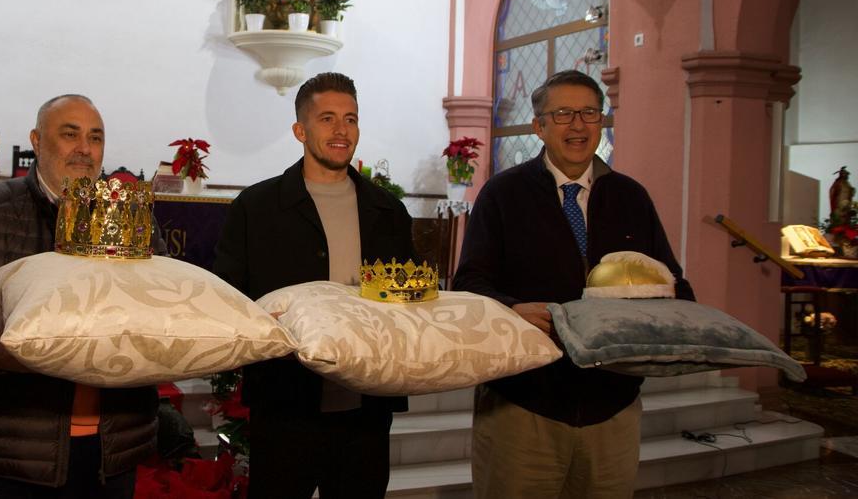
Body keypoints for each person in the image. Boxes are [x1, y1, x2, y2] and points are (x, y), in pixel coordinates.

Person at [452, 70, 695, 498]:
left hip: (612, 406)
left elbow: (674, 282)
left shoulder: (630, 197)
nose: (578, 125)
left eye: (589, 113)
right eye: (563, 114)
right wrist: (511, 308)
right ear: (539, 126)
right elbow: (470, 282)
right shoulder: (503, 194)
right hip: (525, 403)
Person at [0, 95, 159, 498]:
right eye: (70, 134)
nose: (85, 148)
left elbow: (159, 300)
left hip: (111, 444)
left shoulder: (130, 216)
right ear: (36, 139)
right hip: (9, 447)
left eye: (95, 137)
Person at [214, 72, 416, 498]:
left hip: (367, 407)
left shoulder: (388, 211)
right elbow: (231, 296)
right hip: (287, 406)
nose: (342, 130)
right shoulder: (258, 207)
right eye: (327, 119)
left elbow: (407, 297)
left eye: (351, 118)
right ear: (300, 130)